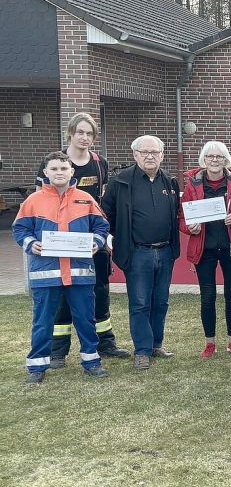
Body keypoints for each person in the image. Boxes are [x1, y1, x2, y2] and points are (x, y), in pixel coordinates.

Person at [39, 114, 128, 368]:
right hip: (60, 241)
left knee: (100, 290)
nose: (84, 138)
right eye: (80, 132)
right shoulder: (54, 163)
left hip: (91, 241)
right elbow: (40, 201)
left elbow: (103, 203)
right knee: (62, 294)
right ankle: (58, 351)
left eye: (89, 133)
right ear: (70, 133)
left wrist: (102, 235)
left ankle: (105, 342)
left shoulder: (100, 163)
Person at [14, 151, 110, 383]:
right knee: (43, 321)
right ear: (45, 173)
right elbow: (19, 229)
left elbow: (101, 226)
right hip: (46, 273)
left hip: (80, 273)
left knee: (86, 319)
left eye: (63, 169)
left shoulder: (86, 199)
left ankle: (91, 361)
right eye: (54, 169)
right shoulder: (33, 201)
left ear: (71, 172)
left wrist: (96, 244)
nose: (59, 173)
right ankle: (37, 367)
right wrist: (31, 244)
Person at [102, 135, 181, 370]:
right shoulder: (121, 182)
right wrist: (115, 239)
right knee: (140, 303)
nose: (150, 156)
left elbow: (176, 214)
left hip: (165, 251)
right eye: (144, 152)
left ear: (162, 155)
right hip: (137, 253)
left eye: (155, 152)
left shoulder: (169, 182)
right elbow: (106, 215)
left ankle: (156, 344)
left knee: (161, 302)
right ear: (135, 155)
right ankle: (142, 350)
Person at [178, 141, 231, 359]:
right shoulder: (193, 184)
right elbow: (182, 219)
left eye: (219, 157)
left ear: (226, 160)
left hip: (230, 248)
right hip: (204, 249)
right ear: (204, 160)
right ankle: (210, 343)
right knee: (207, 297)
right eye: (210, 157)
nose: (215, 160)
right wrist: (190, 227)